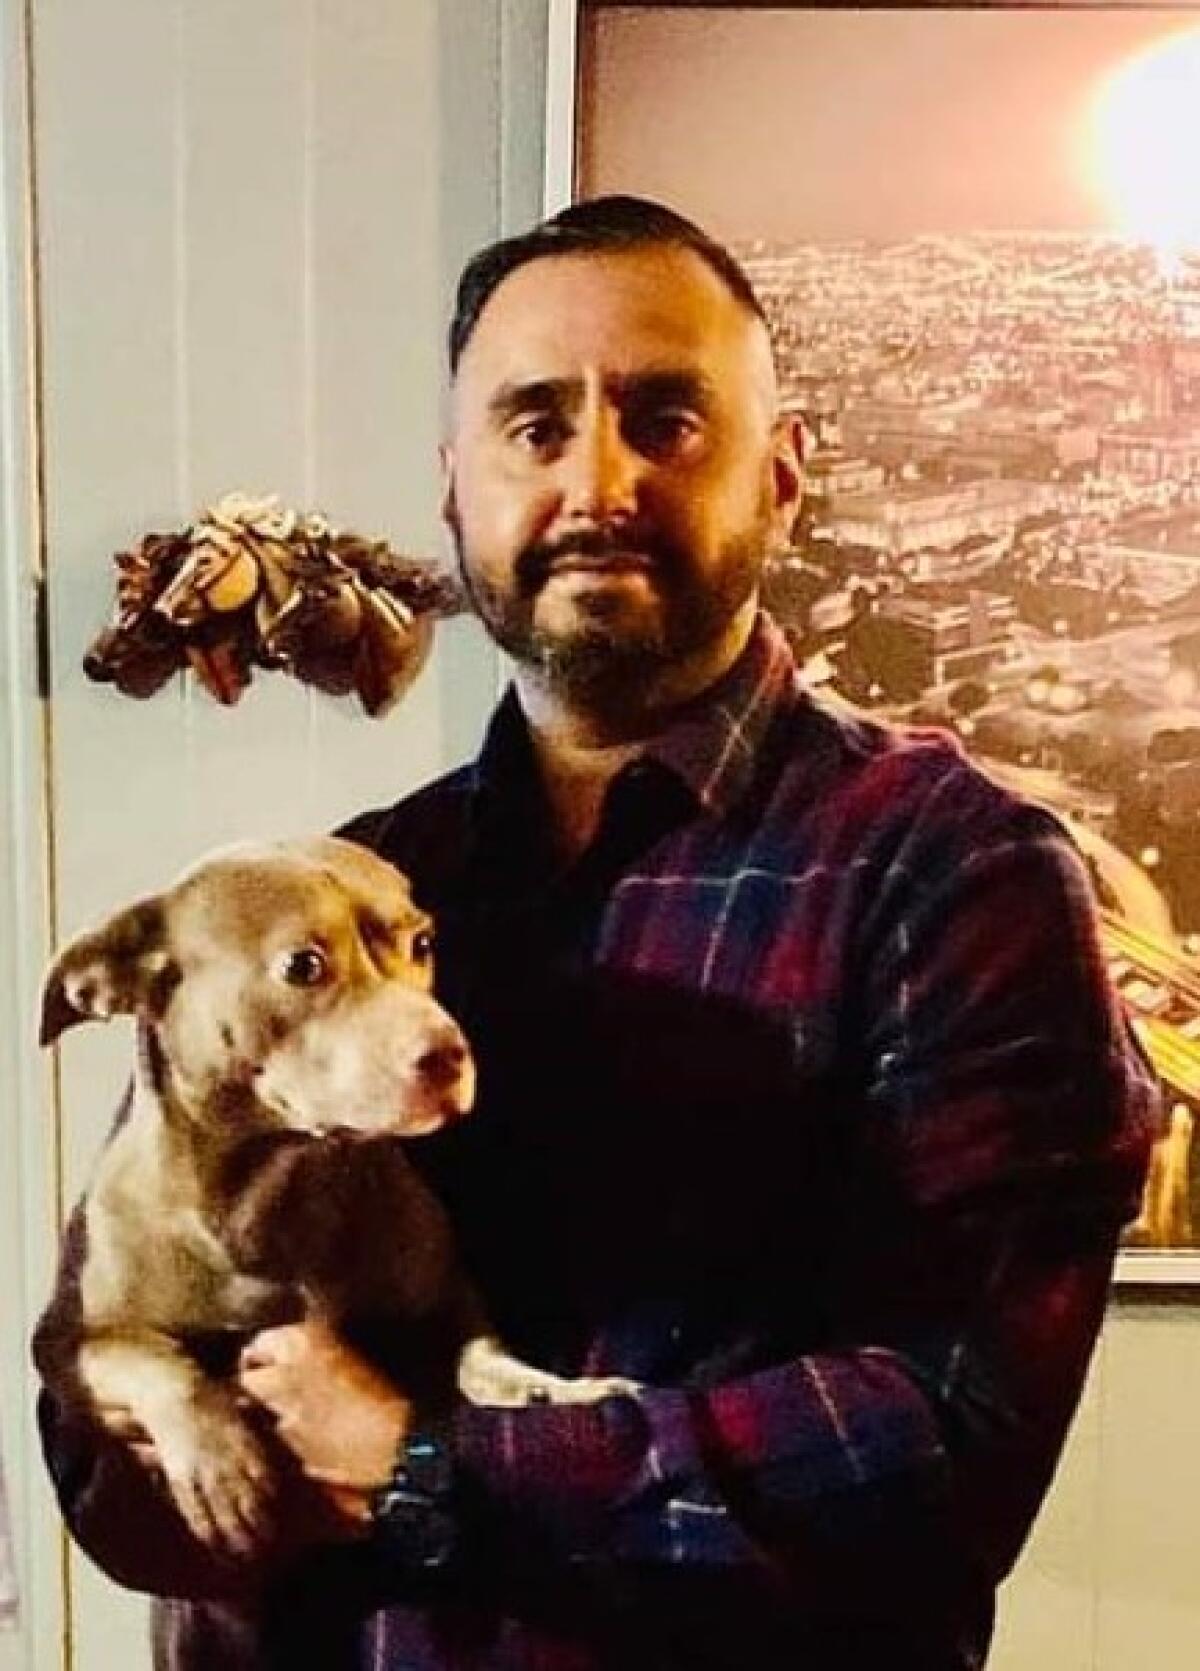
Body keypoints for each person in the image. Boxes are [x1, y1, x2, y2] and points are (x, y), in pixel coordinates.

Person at [37, 196, 1159, 1670]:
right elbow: (102, 1432)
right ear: (455, 489)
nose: (597, 480)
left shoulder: (954, 873)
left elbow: (946, 1444)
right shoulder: (363, 879)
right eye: (534, 426)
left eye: (667, 419)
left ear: (787, 472)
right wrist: (183, 1435)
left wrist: (423, 1465)